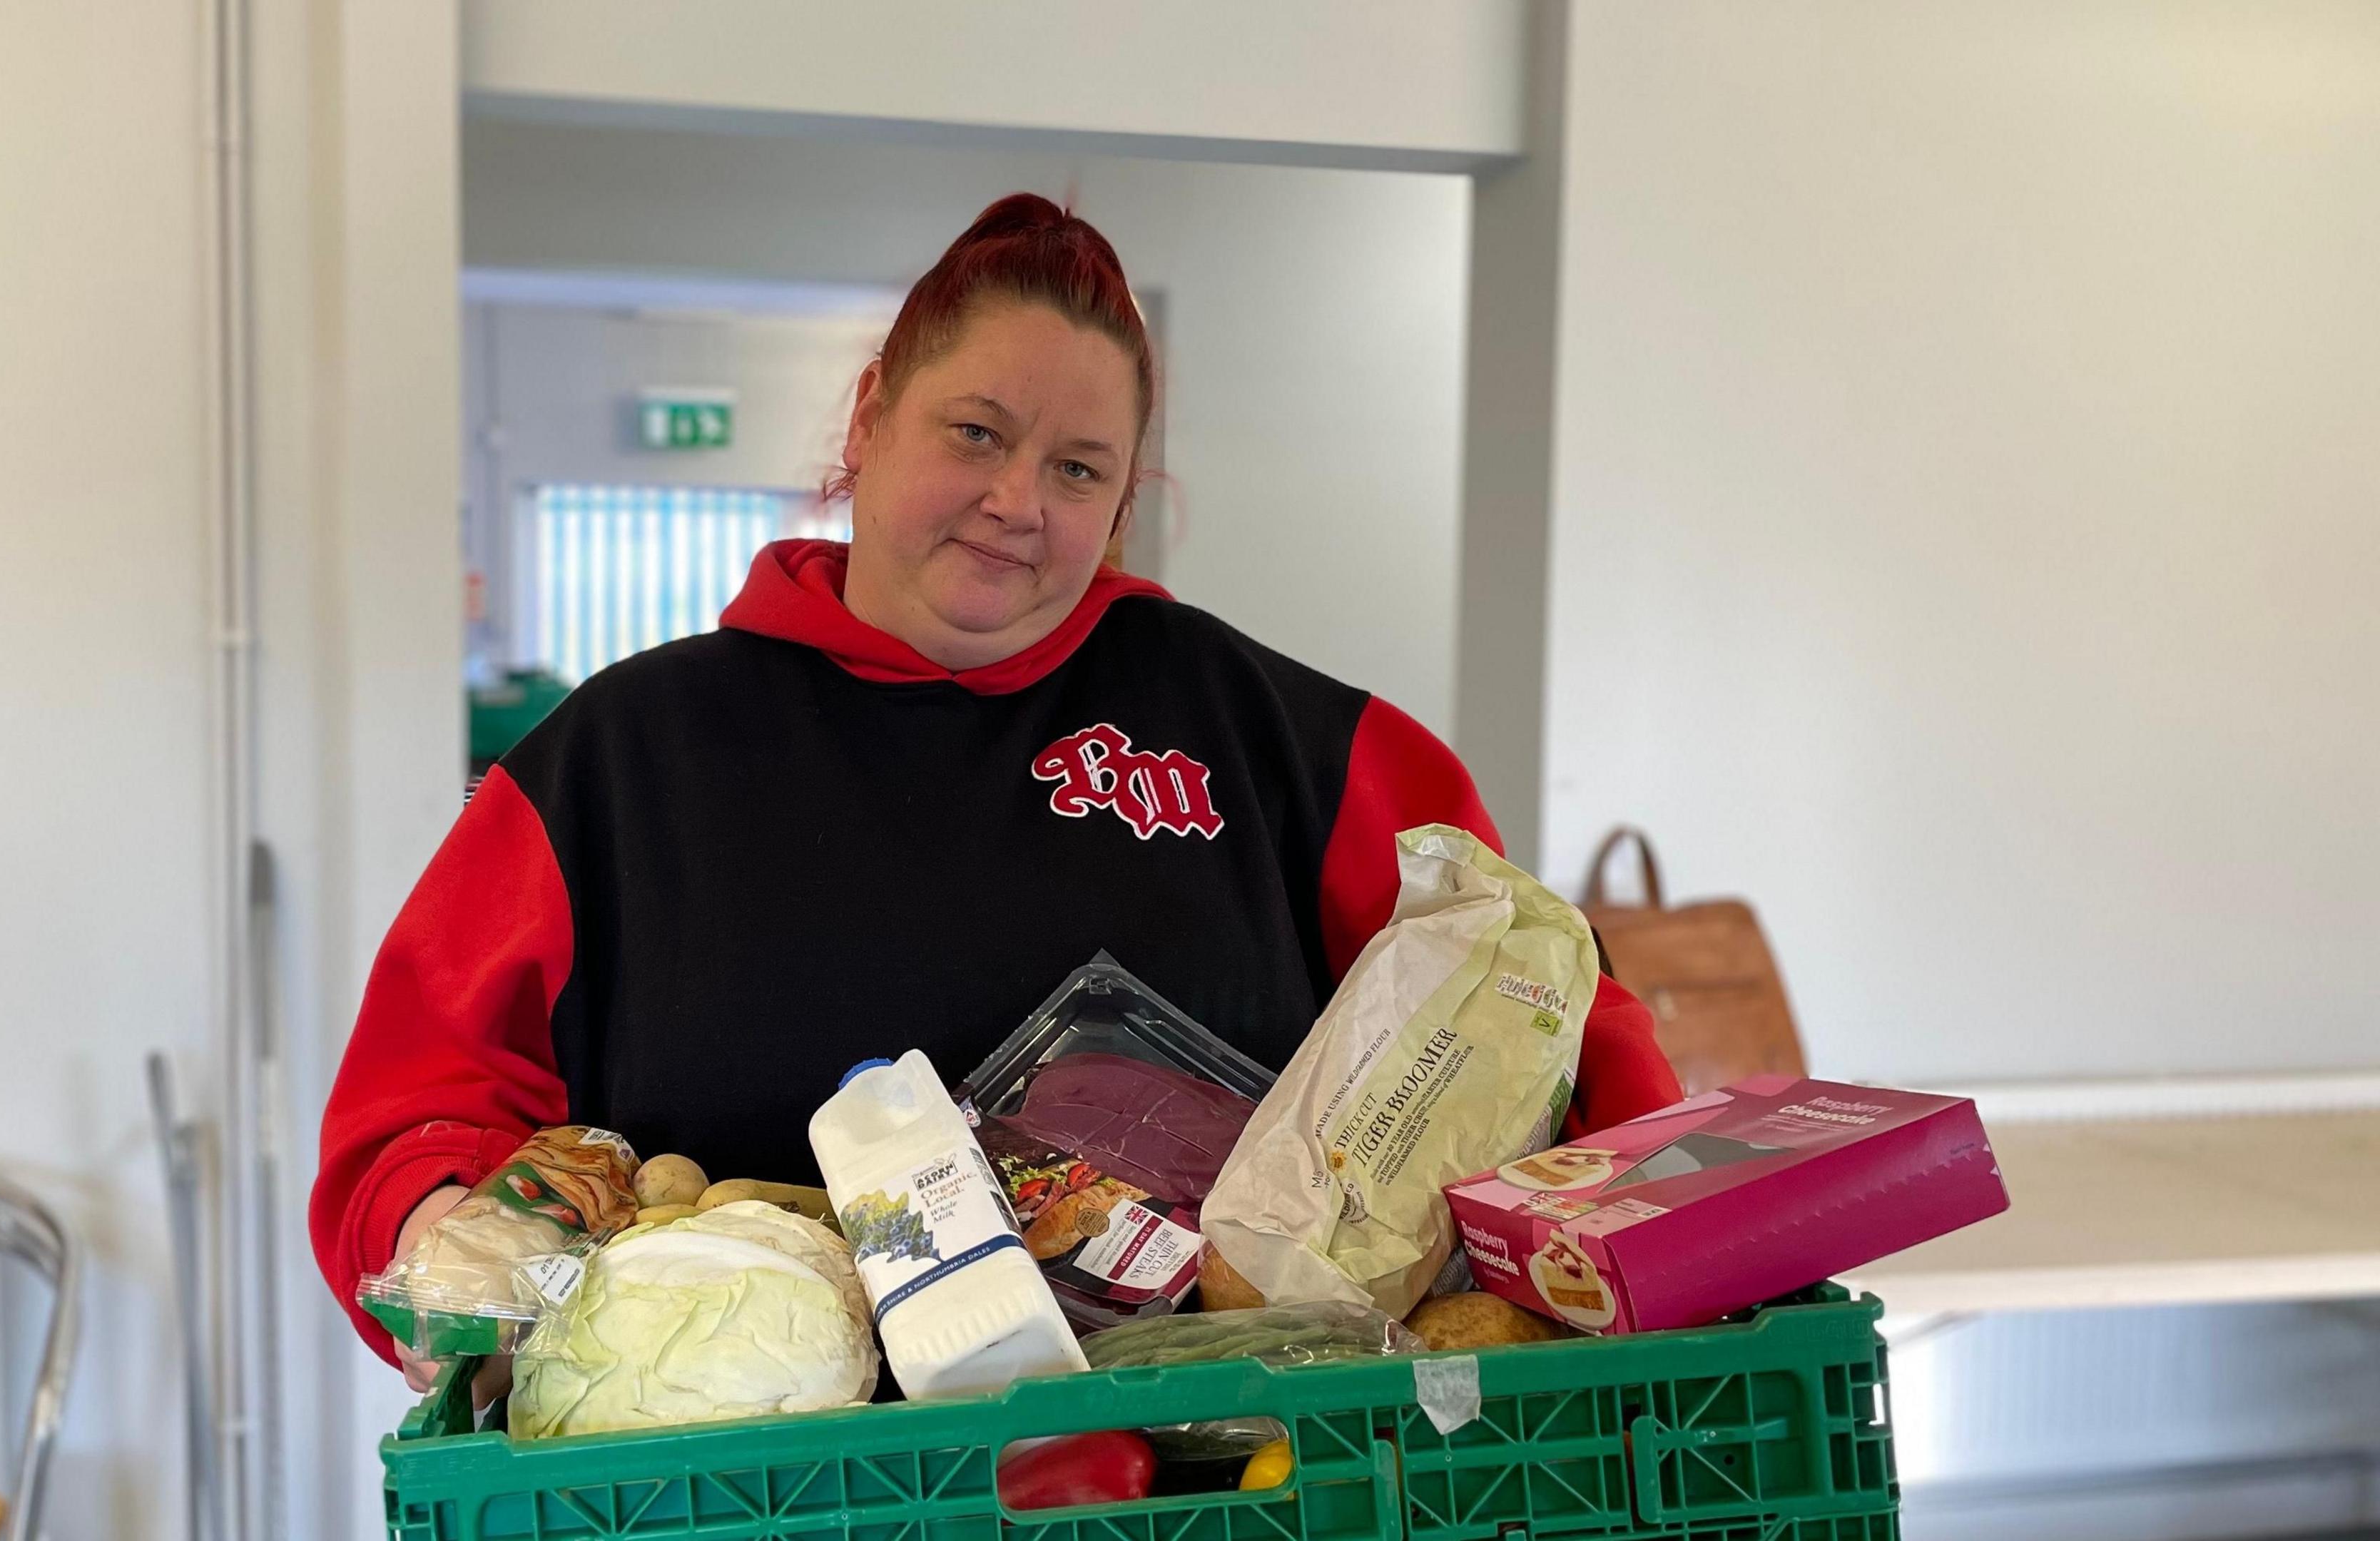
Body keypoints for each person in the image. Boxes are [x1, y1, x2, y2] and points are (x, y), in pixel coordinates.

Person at [312, 194, 1684, 1388]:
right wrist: (449, 1240)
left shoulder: (1277, 739)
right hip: (744, 1493)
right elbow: (412, 1116)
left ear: (1123, 496)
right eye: (976, 433)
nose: (1018, 499)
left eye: (1077, 468)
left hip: (1211, 1478)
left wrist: (1657, 1223)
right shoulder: (621, 757)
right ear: (872, 419)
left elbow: (1538, 1006)